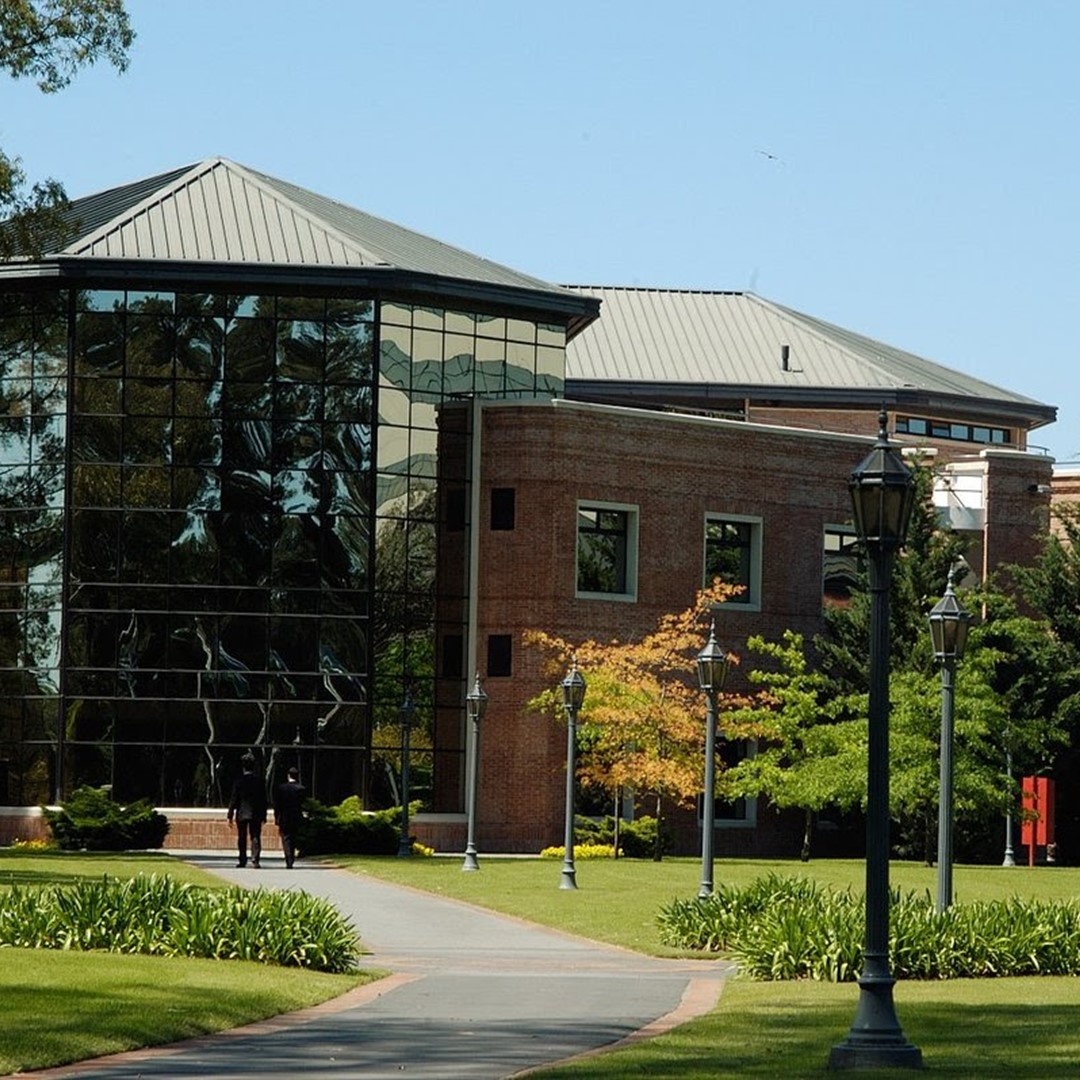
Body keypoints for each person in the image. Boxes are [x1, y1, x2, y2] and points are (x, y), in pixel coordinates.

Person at [227, 753, 267, 868]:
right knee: (255, 836)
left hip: (242, 813)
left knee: (242, 837)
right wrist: (264, 815)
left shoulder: (239, 781)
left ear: (243, 767)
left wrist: (229, 815)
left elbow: (234, 799)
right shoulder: (259, 781)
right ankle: (255, 859)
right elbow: (264, 800)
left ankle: (242, 859)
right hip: (256, 813)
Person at [273, 765, 307, 869]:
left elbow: (277, 805)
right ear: (297, 776)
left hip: (284, 817)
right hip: (296, 817)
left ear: (288, 776)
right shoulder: (301, 789)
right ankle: (291, 857)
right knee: (293, 838)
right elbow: (303, 804)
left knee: (286, 838)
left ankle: (288, 858)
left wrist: (276, 817)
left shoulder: (281, 788)